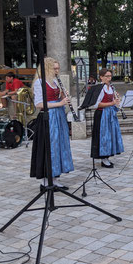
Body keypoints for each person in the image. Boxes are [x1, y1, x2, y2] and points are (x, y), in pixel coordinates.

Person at [30, 58, 74, 189]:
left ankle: (54, 178)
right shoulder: (39, 82)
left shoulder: (55, 81)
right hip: (48, 117)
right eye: (54, 68)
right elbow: (38, 104)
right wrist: (59, 103)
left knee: (59, 146)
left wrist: (64, 98)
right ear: (47, 69)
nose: (57, 71)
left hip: (58, 116)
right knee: (49, 147)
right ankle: (45, 181)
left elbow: (57, 98)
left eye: (58, 68)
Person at [88, 68, 124, 168]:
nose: (109, 78)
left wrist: (116, 100)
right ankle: (103, 159)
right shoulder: (99, 88)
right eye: (107, 76)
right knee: (103, 137)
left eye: (110, 76)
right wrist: (112, 103)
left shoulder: (111, 88)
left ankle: (107, 157)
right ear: (101, 77)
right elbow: (96, 104)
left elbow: (113, 100)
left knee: (110, 136)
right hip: (101, 115)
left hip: (110, 114)